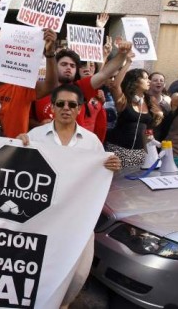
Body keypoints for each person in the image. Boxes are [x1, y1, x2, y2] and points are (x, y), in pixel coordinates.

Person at [16, 83, 120, 309]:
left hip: (77, 219)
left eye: (72, 104)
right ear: (52, 107)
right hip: (41, 219)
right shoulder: (35, 136)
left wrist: (112, 165)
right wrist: (17, 146)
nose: (66, 108)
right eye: (60, 104)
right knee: (39, 267)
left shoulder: (92, 142)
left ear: (80, 108)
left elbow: (99, 175)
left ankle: (63, 305)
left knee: (77, 272)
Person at [105, 68, 164, 167]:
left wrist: (159, 116)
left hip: (140, 153)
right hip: (118, 151)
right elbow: (115, 86)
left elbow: (150, 128)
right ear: (135, 82)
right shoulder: (124, 99)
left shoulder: (150, 100)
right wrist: (127, 62)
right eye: (145, 78)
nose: (149, 81)